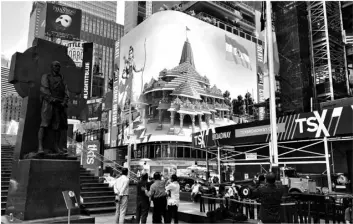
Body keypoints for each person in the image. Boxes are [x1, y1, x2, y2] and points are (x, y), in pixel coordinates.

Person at [38, 61, 69, 154]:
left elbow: (66, 91)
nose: (57, 67)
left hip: (60, 105)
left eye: (59, 66)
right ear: (52, 67)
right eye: (56, 66)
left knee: (58, 127)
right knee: (44, 125)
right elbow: (44, 89)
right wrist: (51, 99)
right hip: (49, 104)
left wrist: (64, 101)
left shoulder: (62, 78)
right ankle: (40, 147)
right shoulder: (46, 76)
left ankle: (56, 147)